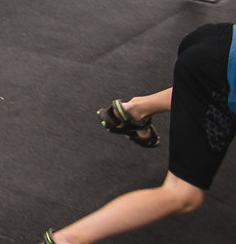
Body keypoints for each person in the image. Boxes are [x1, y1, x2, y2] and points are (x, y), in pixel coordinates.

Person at [44, 22, 236, 244]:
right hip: (213, 71)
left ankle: (136, 109)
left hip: (218, 37)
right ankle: (68, 240)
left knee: (208, 91)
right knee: (183, 194)